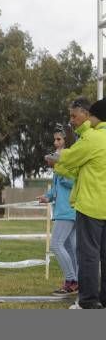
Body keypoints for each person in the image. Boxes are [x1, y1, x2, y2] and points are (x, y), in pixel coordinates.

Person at [54, 98, 106, 309]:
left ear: (94, 116)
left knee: (88, 256)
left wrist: (56, 158)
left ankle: (87, 301)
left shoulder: (93, 138)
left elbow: (69, 158)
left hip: (91, 206)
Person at [39, 124, 77, 296]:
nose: (55, 143)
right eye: (54, 139)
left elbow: (72, 183)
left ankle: (72, 281)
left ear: (66, 140)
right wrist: (47, 196)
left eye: (59, 139)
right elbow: (57, 188)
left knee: (55, 245)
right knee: (70, 248)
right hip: (63, 209)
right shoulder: (59, 157)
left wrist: (58, 169)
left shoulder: (71, 157)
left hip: (68, 210)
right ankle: (76, 281)